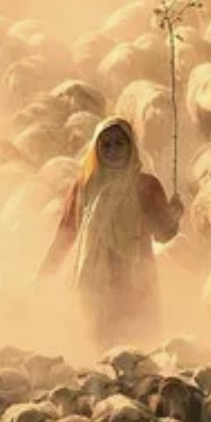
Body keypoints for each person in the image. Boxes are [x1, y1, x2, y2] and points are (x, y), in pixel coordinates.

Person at [37, 117, 184, 350]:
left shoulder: (146, 186)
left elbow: (163, 234)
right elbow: (67, 231)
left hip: (135, 278)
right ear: (96, 150)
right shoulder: (84, 186)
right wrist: (45, 272)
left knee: (138, 348)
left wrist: (174, 215)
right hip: (94, 280)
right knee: (98, 345)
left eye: (119, 144)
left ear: (131, 146)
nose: (113, 150)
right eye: (106, 145)